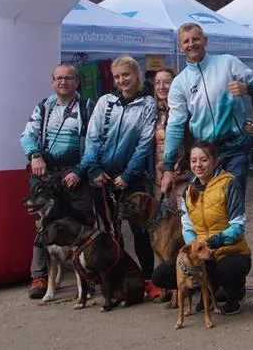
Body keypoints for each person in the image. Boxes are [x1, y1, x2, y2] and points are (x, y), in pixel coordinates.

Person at [73, 55, 159, 298]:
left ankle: (148, 278)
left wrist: (128, 175)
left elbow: (144, 143)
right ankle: (121, 279)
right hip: (101, 179)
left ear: (137, 75)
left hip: (132, 179)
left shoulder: (147, 104)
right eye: (118, 76)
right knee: (113, 233)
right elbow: (92, 137)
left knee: (140, 231)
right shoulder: (104, 102)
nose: (122, 80)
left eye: (127, 75)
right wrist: (94, 170)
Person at [161, 23, 253, 196]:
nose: (191, 44)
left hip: (236, 148)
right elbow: (174, 126)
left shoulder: (228, 62)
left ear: (205, 41)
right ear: (180, 47)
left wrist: (247, 88)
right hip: (204, 153)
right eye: (186, 41)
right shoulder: (179, 83)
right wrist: (167, 167)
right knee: (209, 206)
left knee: (232, 202)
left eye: (196, 39)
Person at [19, 62, 95, 299]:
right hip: (46, 172)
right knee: (43, 226)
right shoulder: (43, 107)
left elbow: (95, 143)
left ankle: (87, 276)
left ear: (77, 81)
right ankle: (39, 276)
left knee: (83, 224)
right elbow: (27, 134)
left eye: (69, 78)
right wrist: (34, 155)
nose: (63, 82)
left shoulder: (87, 107)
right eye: (59, 78)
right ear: (52, 81)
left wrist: (81, 170)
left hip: (76, 171)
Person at [150, 141, 251, 315]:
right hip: (201, 252)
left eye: (203, 160)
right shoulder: (189, 190)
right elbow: (187, 226)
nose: (198, 165)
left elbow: (238, 225)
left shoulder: (229, 184)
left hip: (230, 250)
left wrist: (213, 241)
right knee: (160, 275)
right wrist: (193, 247)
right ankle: (209, 293)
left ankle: (234, 294)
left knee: (228, 271)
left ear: (214, 160)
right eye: (193, 160)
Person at [151, 67, 183, 201]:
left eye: (166, 82)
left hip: (183, 174)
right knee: (163, 217)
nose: (161, 87)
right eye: (157, 82)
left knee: (185, 217)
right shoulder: (153, 111)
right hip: (159, 176)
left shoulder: (184, 109)